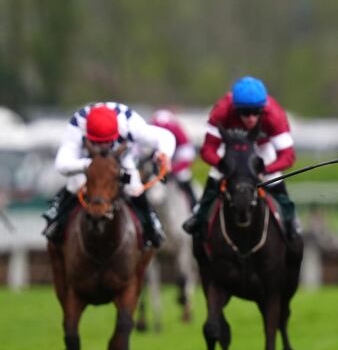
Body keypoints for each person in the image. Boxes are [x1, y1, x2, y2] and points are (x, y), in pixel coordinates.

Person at [182, 76, 300, 239]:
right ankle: (200, 215)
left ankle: (290, 220)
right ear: (235, 109)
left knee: (275, 178)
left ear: (263, 109)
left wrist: (266, 169)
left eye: (256, 112)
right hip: (231, 149)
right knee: (215, 175)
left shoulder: (275, 115)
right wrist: (221, 164)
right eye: (245, 112)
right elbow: (208, 149)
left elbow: (288, 156)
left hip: (260, 148)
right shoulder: (221, 111)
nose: (251, 118)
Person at [42, 103, 175, 247]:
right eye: (98, 142)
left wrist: (164, 154)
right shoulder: (77, 125)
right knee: (75, 185)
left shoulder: (129, 122)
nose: (103, 146)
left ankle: (151, 225)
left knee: (134, 188)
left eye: (107, 141)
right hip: (87, 161)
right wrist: (92, 166)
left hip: (121, 160)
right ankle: (57, 221)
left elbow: (165, 137)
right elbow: (62, 164)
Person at [150, 109, 197, 207]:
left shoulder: (180, 135)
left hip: (176, 155)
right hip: (160, 156)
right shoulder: (153, 130)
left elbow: (188, 157)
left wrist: (174, 169)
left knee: (183, 175)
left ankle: (194, 206)